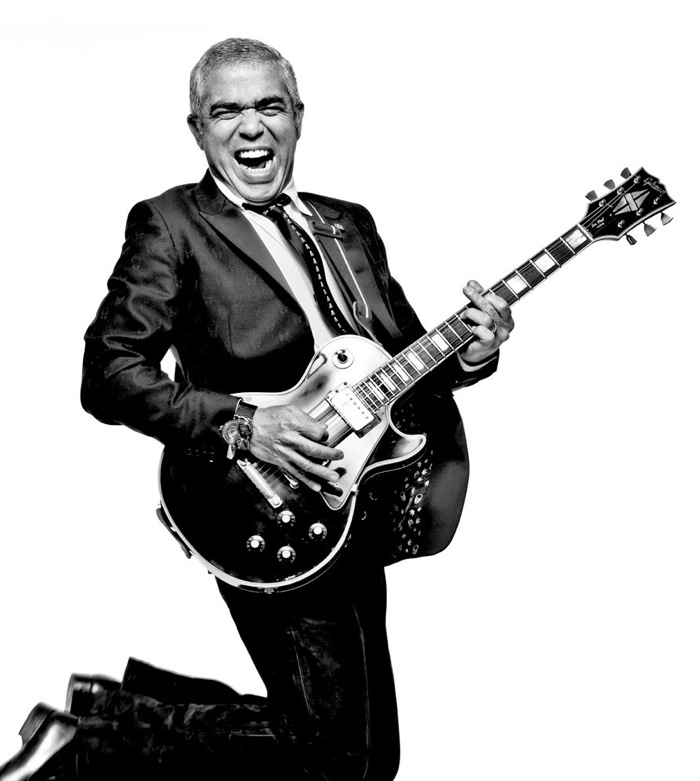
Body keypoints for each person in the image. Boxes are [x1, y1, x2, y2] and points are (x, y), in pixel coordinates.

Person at [0, 37, 514, 781]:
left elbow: (402, 366)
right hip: (256, 503)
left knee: (367, 759)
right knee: (338, 756)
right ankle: (91, 743)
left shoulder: (348, 224)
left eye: (270, 106)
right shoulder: (171, 223)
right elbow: (109, 373)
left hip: (352, 500)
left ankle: (105, 714)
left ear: (299, 116)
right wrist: (246, 424)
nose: (251, 127)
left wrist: (468, 353)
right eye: (227, 111)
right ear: (197, 129)